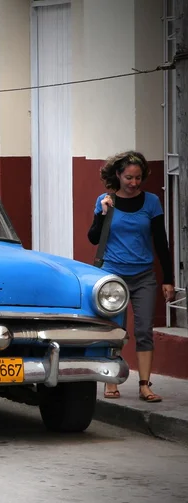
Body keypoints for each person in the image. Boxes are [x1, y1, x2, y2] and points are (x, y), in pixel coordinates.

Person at [88, 151, 175, 402]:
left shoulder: (151, 202)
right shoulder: (106, 200)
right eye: (128, 177)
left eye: (138, 178)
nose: (134, 183)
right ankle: (110, 380)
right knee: (115, 330)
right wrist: (102, 213)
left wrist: (168, 278)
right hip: (113, 276)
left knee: (144, 329)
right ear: (118, 175)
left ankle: (145, 385)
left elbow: (161, 242)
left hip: (144, 276)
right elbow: (93, 238)